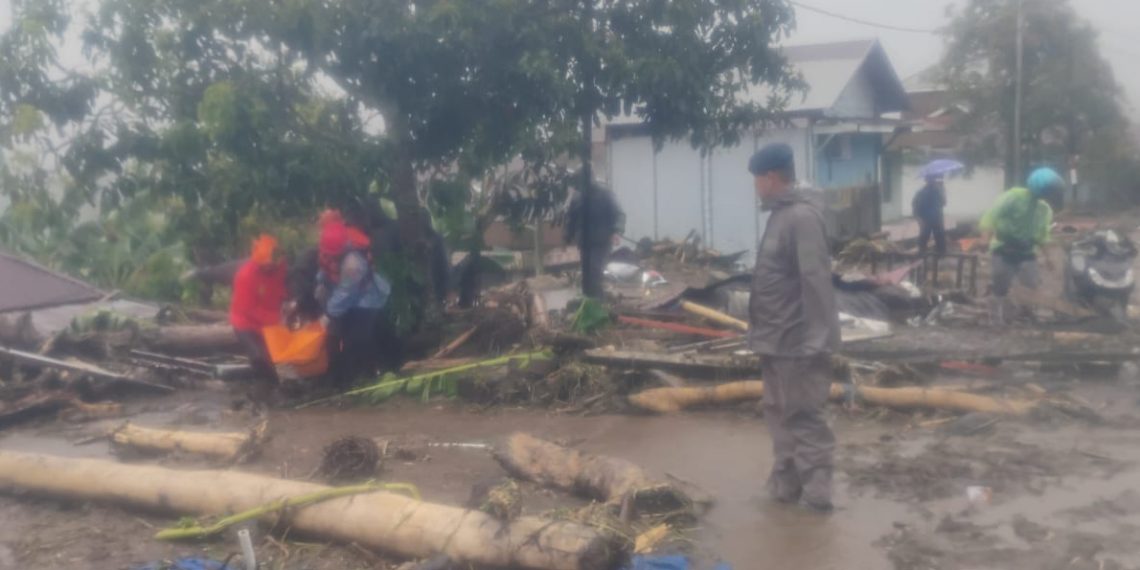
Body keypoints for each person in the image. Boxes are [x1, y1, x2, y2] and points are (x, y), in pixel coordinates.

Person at [747, 143, 841, 513]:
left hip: (799, 341)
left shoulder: (801, 217)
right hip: (774, 339)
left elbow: (815, 280)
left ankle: (818, 498)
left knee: (805, 416)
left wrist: (816, 341)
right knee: (778, 413)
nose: (755, 186)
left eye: (757, 179)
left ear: (771, 178)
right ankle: (786, 489)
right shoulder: (780, 214)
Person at [979, 167, 1064, 325]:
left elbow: (1042, 235)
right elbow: (991, 216)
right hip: (1004, 247)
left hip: (1026, 251)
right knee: (1000, 282)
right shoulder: (1013, 197)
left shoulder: (1044, 210)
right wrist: (985, 238)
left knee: (1031, 283)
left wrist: (1049, 257)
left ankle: (1025, 314)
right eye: (1049, 191)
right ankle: (996, 317)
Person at [317, 219, 392, 387]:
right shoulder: (330, 251)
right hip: (345, 299)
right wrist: (320, 284)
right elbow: (324, 271)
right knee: (336, 337)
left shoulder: (353, 264)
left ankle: (360, 377)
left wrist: (328, 314)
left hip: (367, 300)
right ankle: (339, 375)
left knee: (357, 340)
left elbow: (345, 294)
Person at [229, 234, 287, 400]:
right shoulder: (245, 276)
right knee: (258, 356)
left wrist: (288, 303)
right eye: (266, 266)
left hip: (269, 319)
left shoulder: (280, 265)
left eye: (272, 266)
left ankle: (270, 387)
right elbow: (249, 310)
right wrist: (277, 320)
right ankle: (262, 393)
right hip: (245, 323)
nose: (270, 269)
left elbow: (281, 286)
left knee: (271, 357)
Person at [564, 181, 626, 298]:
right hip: (584, 242)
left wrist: (617, 231)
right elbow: (571, 218)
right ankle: (588, 300)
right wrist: (568, 235)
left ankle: (597, 303)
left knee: (595, 271)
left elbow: (619, 214)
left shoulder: (605, 194)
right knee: (586, 274)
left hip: (602, 241)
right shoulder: (577, 197)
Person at [912, 174, 947, 255]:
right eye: (930, 179)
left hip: (937, 217)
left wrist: (942, 190)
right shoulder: (921, 192)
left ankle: (941, 255)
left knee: (940, 237)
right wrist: (918, 219)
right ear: (926, 180)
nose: (932, 181)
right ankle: (921, 255)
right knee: (924, 237)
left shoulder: (939, 190)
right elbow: (915, 205)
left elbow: (944, 203)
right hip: (925, 218)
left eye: (933, 178)